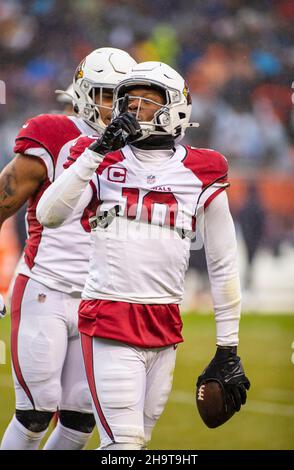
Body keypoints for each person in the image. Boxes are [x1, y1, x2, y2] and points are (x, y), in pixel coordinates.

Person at [37, 61, 250, 450]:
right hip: (109, 314)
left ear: (177, 108)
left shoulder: (204, 168)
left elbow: (223, 262)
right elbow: (49, 215)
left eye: (147, 102)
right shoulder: (98, 156)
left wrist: (227, 348)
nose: (134, 111)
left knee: (138, 442)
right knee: (124, 444)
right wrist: (97, 151)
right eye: (128, 102)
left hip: (165, 320)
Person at [0, 47, 137, 450]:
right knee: (35, 413)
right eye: (108, 95)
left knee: (80, 419)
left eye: (125, 97)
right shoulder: (55, 134)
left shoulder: (142, 151)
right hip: (47, 288)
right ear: (83, 93)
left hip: (100, 299)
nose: (117, 108)